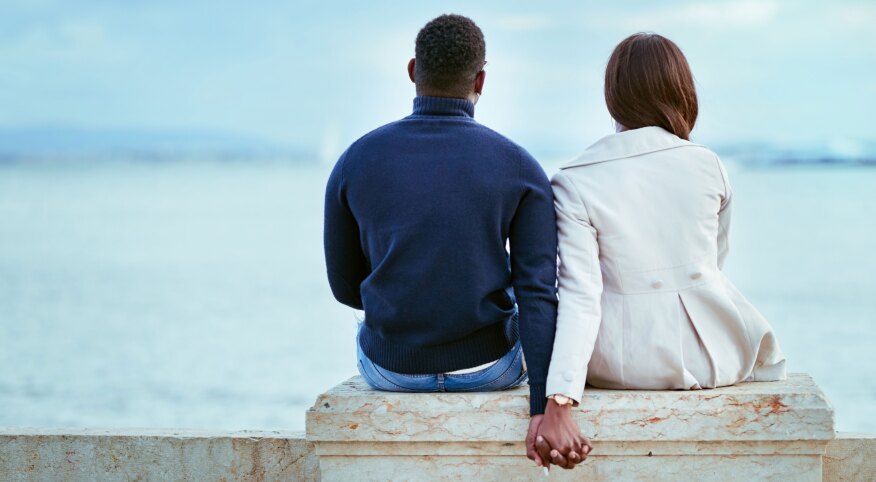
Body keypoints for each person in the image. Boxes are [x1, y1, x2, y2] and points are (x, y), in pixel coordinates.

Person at [323, 14, 589, 470]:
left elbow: (345, 287)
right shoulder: (520, 167)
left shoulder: (355, 160)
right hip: (489, 368)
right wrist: (542, 406)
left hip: (390, 370)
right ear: (481, 79)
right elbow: (537, 294)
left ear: (412, 71)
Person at [539, 32, 788, 462]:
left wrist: (560, 399)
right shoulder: (708, 165)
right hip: (713, 355)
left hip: (621, 365)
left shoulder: (575, 179)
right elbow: (714, 264)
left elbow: (582, 295)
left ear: (613, 96)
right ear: (681, 90)